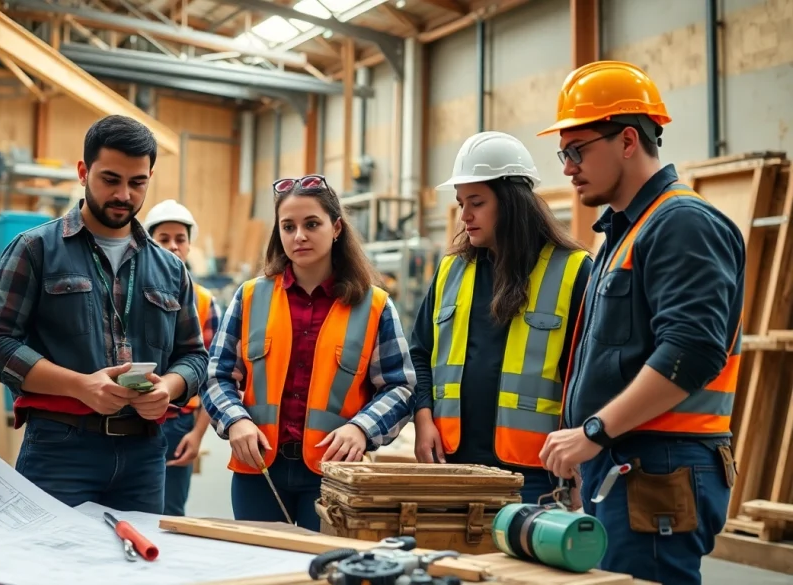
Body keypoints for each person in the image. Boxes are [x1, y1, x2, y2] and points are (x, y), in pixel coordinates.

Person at [535, 61, 745, 585]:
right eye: (564, 153)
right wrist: (594, 451)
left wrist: (594, 431)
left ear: (628, 139)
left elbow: (691, 351)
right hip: (628, 460)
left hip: (659, 464)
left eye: (576, 149)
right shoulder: (626, 233)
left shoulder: (682, 223)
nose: (567, 166)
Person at [0, 115, 208, 514]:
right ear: (83, 172)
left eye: (138, 183)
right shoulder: (35, 249)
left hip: (145, 454)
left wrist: (168, 389)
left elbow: (195, 356)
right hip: (60, 450)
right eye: (110, 179)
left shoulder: (170, 269)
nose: (124, 195)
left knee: (137, 572)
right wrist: (80, 386)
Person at [201, 174, 416, 531]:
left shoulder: (374, 306)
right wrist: (235, 420)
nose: (298, 236)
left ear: (336, 228)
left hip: (336, 476)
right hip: (259, 474)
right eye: (288, 226)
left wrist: (362, 429)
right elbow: (216, 375)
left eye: (311, 224)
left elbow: (401, 387)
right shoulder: (251, 297)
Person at [409, 131, 592, 505]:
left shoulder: (574, 271)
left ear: (512, 203)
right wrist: (423, 420)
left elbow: (588, 376)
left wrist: (580, 463)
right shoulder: (450, 272)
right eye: (461, 203)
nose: (465, 216)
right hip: (452, 465)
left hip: (535, 476)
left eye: (476, 202)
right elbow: (419, 354)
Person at [143, 198, 221, 517]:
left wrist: (197, 433)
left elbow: (213, 376)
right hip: (135, 421)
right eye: (164, 239)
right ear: (149, 243)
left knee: (171, 513)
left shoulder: (204, 302)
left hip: (179, 424)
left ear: (189, 245)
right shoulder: (132, 295)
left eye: (180, 239)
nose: (173, 247)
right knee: (128, 509)